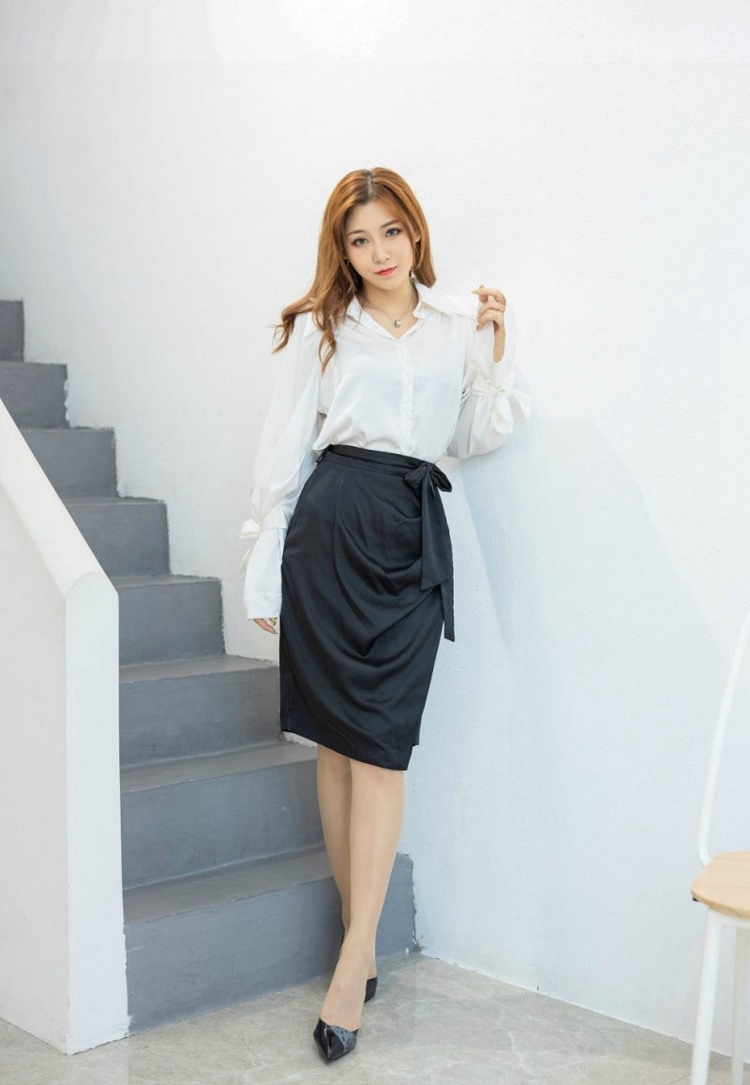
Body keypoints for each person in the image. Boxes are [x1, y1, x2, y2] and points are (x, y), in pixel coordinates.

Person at [239, 167, 531, 1062]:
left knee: (381, 746)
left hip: (409, 533)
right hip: (330, 527)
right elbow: (287, 441)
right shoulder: (323, 328)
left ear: (416, 231)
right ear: (343, 250)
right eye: (360, 240)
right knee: (337, 746)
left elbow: (474, 434)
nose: (379, 253)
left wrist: (495, 348)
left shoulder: (455, 323)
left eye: (391, 232)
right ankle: (356, 944)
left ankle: (354, 949)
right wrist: (263, 555)